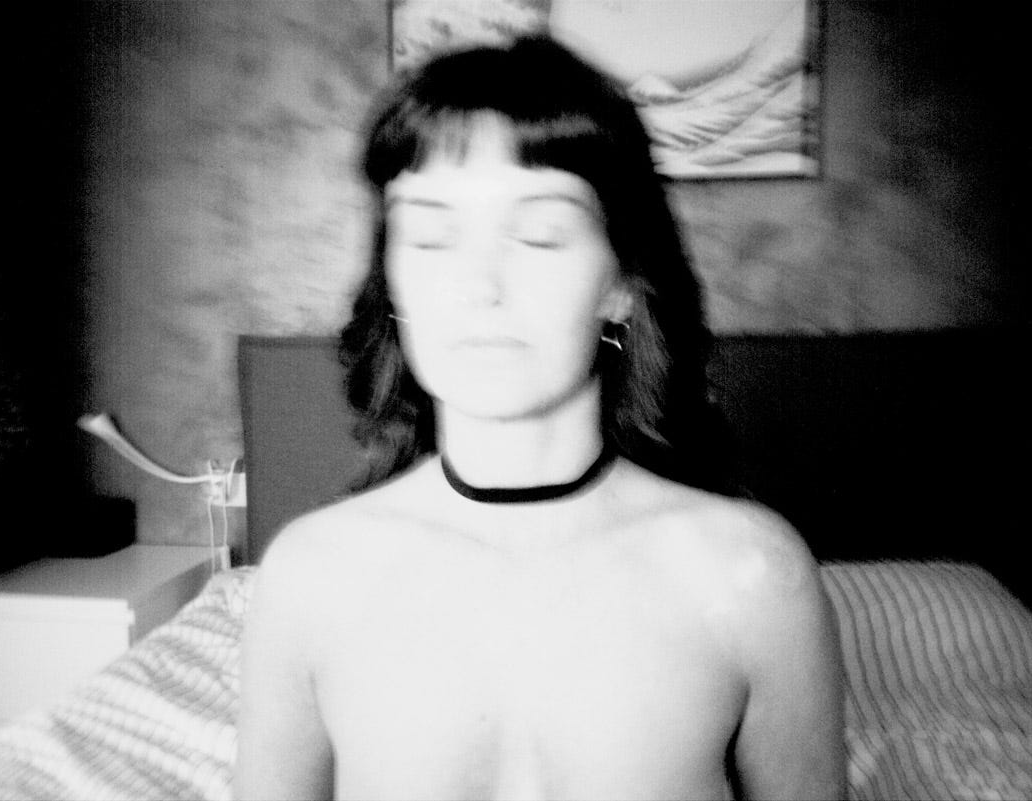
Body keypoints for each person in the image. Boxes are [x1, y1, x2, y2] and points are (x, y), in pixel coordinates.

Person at [235, 36, 845, 801]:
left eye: (540, 235)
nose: (479, 284)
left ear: (621, 285)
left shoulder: (753, 577)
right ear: (392, 284)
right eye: (429, 236)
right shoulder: (307, 579)